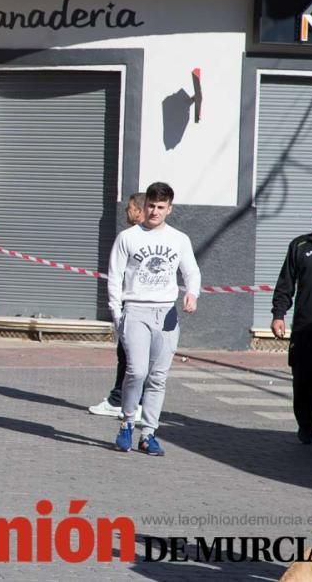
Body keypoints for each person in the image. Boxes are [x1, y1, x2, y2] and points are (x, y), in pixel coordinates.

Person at [108, 181, 201, 456]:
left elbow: (192, 272)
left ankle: (148, 434)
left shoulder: (179, 239)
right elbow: (115, 275)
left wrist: (192, 294)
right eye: (151, 206)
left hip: (166, 313)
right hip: (135, 309)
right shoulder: (128, 237)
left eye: (161, 207)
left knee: (158, 377)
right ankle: (127, 422)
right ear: (144, 205)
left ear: (169, 209)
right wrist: (117, 312)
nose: (155, 212)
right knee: (137, 371)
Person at [270, 198, 312, 450]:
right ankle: (306, 425)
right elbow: (286, 283)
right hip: (307, 328)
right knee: (305, 381)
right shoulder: (301, 245)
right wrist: (278, 314)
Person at [89, 192, 146, 421]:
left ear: (140, 211)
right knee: (127, 355)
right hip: (131, 305)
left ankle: (125, 400)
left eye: (130, 207)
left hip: (137, 306)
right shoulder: (131, 237)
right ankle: (123, 399)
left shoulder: (132, 237)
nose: (126, 211)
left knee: (131, 356)